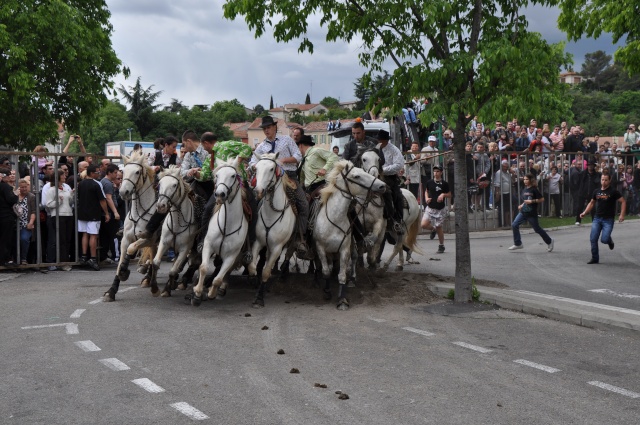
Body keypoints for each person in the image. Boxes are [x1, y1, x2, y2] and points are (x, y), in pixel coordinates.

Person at [250, 116, 309, 253]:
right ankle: (253, 237)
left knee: (304, 204)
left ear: (275, 127)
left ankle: (300, 238)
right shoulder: (261, 146)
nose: (266, 130)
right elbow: (252, 162)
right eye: (264, 128)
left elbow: (298, 156)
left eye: (268, 127)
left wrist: (282, 160)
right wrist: (257, 167)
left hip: (289, 177)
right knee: (255, 203)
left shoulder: (287, 140)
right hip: (268, 179)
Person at [196, 139, 254, 254]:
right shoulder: (209, 158)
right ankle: (203, 240)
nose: (204, 149)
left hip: (240, 187)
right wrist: (196, 173)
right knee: (207, 210)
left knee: (254, 211)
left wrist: (237, 161)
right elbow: (206, 175)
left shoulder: (227, 144)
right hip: (221, 190)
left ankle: (249, 247)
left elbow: (247, 148)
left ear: (206, 143)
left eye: (203, 146)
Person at [580, 174, 625, 264]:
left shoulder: (613, 192)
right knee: (593, 238)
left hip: (608, 219)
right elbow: (592, 203)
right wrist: (585, 212)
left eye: (605, 180)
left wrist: (622, 215)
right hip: (597, 218)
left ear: (609, 181)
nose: (603, 182)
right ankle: (595, 258)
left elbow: (623, 201)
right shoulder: (597, 191)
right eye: (602, 179)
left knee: (604, 239)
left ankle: (609, 240)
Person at [509, 173, 554, 252]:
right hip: (523, 212)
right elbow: (525, 200)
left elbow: (542, 199)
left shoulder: (534, 189)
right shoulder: (524, 189)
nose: (525, 181)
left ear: (530, 180)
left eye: (527, 179)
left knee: (537, 229)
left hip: (531, 213)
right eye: (524, 179)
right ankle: (518, 243)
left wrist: (532, 201)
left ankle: (549, 241)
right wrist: (521, 205)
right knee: (514, 224)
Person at [77, 164, 109, 271]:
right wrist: (106, 213)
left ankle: (84, 256)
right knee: (93, 236)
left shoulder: (80, 184)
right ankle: (93, 258)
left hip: (82, 213)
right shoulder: (97, 184)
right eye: (97, 172)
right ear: (91, 173)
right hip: (93, 213)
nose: (98, 174)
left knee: (85, 234)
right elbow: (102, 200)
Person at [45, 169, 74, 271]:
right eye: (63, 175)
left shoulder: (65, 188)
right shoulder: (51, 190)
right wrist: (58, 201)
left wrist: (71, 195)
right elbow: (48, 204)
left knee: (67, 239)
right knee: (61, 240)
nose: (65, 176)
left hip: (68, 214)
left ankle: (65, 260)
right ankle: (62, 262)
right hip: (58, 216)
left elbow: (69, 202)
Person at [377, 129, 405, 234]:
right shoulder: (374, 149)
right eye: (378, 140)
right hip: (374, 177)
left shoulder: (394, 150)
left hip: (389, 178)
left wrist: (383, 171)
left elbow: (399, 165)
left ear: (386, 140)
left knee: (397, 195)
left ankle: (397, 220)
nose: (379, 142)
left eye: (381, 140)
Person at [421, 165, 451, 253]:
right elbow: (426, 191)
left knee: (439, 227)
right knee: (423, 225)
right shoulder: (429, 182)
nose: (435, 173)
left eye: (438, 171)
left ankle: (441, 245)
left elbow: (449, 194)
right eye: (434, 171)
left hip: (440, 209)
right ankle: (432, 229)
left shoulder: (444, 184)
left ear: (441, 172)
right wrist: (426, 198)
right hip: (430, 207)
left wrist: (443, 195)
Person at [99, 164, 121, 263]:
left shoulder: (104, 181)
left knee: (105, 236)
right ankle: (116, 256)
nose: (117, 175)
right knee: (113, 235)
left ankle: (104, 256)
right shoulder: (107, 183)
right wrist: (115, 212)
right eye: (115, 173)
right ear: (109, 173)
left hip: (105, 213)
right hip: (110, 213)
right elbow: (108, 198)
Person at [0, 167, 19, 266]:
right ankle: (4, 260)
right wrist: (16, 195)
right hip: (6, 216)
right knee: (6, 239)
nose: (9, 176)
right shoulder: (6, 187)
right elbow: (11, 200)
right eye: (7, 175)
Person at [16, 179, 36, 265]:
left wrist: (31, 222)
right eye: (22, 187)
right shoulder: (14, 196)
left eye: (25, 187)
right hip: (15, 223)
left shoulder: (31, 196)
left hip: (25, 223)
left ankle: (23, 259)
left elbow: (33, 211)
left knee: (24, 239)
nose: (24, 189)